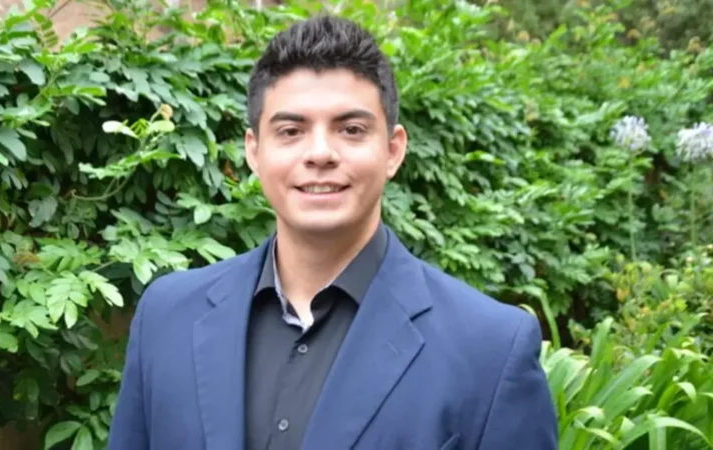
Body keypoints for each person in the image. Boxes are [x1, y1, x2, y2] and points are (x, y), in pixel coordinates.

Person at [107, 14, 558, 450]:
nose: (320, 153)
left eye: (351, 129)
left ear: (393, 150)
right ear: (254, 151)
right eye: (291, 130)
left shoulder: (491, 351)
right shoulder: (167, 318)